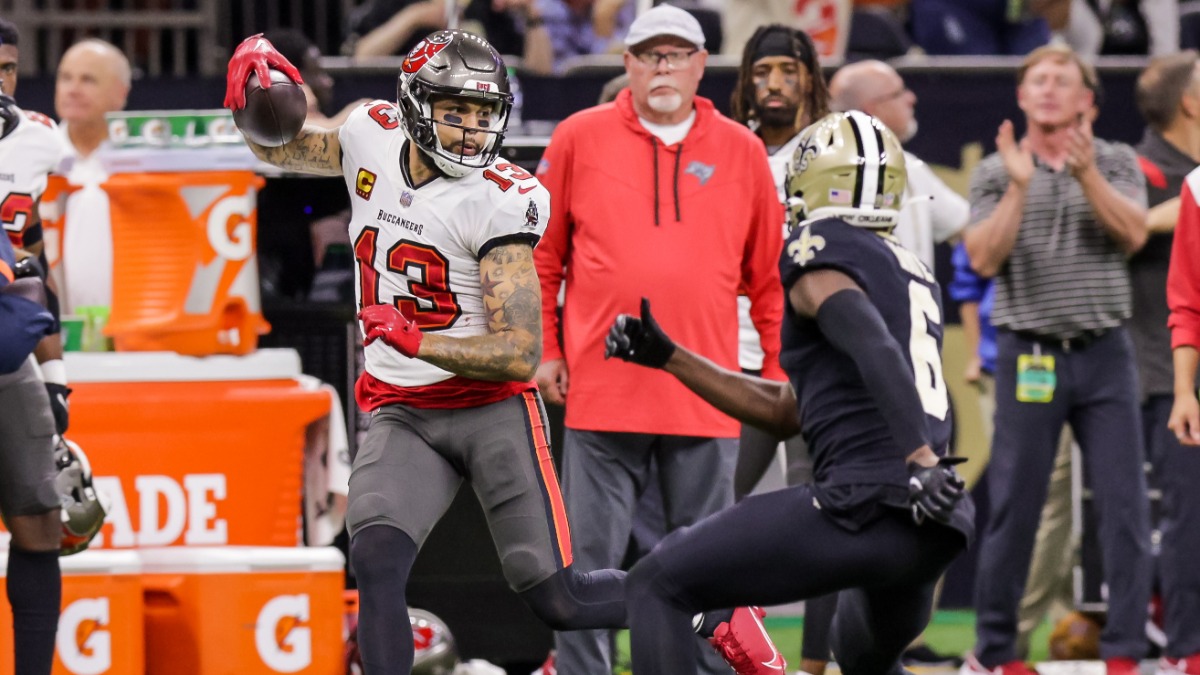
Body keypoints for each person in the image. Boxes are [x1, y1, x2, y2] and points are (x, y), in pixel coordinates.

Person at [226, 29, 774, 675]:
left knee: (558, 599)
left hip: (490, 409)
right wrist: (252, 98)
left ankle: (712, 608)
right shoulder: (367, 133)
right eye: (453, 110)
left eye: (483, 113)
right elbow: (287, 146)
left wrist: (416, 337)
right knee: (374, 561)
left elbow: (519, 353)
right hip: (403, 407)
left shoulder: (499, 198)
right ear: (409, 105)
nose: (468, 129)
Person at [607, 110, 973, 675]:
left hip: (867, 501)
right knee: (861, 658)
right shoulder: (909, 267)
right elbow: (785, 412)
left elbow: (873, 343)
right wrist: (672, 357)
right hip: (929, 528)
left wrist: (919, 458)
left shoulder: (817, 244)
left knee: (659, 582)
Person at [533, 5, 786, 674]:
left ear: (702, 66)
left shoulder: (743, 149)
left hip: (705, 396)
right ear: (628, 64)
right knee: (586, 565)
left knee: (709, 569)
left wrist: (780, 372)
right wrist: (546, 350)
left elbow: (770, 278)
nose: (663, 67)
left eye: (677, 55)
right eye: (650, 55)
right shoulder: (577, 137)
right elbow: (541, 258)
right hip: (600, 390)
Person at [959, 43, 1152, 675]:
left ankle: (1124, 651)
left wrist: (1087, 173)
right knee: (1016, 506)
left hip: (1104, 355)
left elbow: (1134, 233)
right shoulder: (994, 170)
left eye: (1060, 81)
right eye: (1036, 80)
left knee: (1124, 506)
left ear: (1087, 101)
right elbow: (983, 259)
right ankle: (996, 653)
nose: (1046, 89)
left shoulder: (1118, 160)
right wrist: (1018, 187)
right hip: (1029, 355)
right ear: (1021, 96)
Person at [727, 23, 838, 675]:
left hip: (824, 355)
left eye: (788, 70)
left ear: (810, 78)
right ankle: (712, 649)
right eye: (763, 70)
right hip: (741, 355)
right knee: (709, 514)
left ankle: (817, 664)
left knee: (831, 512)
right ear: (746, 78)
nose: (775, 83)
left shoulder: (834, 150)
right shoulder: (726, 150)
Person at [1135, 50, 1200, 672]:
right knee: (1186, 514)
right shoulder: (1139, 167)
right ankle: (1184, 647)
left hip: (1166, 366)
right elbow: (1125, 227)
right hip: (1164, 371)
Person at [0, 19, 73, 445]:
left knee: (37, 503)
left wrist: (55, 378)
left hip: (9, 345)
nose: (0, 81)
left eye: (7, 68)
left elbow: (35, 262)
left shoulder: (37, 139)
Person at [829, 59, 969, 272]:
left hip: (917, 304)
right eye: (898, 93)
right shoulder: (825, 175)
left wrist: (1018, 187)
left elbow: (965, 225)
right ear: (871, 111)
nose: (911, 98)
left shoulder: (911, 167)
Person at [53, 38, 130, 315]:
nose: (72, 89)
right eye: (65, 78)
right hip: (49, 334)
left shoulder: (140, 163)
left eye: (88, 80)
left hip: (129, 332)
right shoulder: (33, 155)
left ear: (120, 93)